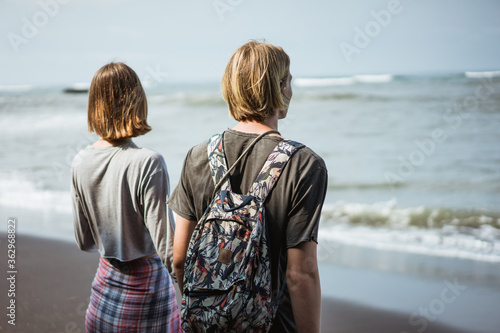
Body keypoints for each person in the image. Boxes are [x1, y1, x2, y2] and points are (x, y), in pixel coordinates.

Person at [169, 41, 328, 333]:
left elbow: (179, 259)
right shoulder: (304, 163)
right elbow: (300, 273)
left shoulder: (197, 155)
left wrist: (207, 311)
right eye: (289, 80)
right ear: (280, 86)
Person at [71, 62, 182, 332]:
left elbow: (84, 241)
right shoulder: (149, 162)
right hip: (147, 301)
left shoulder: (80, 162)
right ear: (137, 101)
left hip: (103, 300)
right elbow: (168, 250)